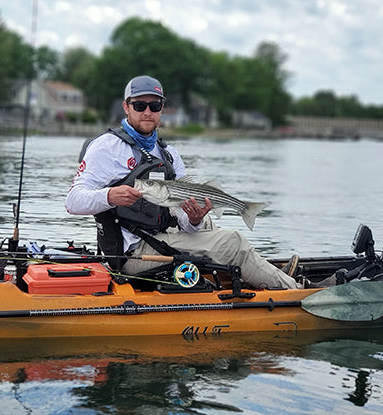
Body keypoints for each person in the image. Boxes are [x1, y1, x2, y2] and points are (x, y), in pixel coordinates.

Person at [65, 75, 302, 290]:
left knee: (207, 222)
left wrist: (195, 219)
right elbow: (73, 202)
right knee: (233, 242)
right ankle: (295, 290)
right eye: (139, 105)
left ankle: (263, 273)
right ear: (126, 107)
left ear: (162, 109)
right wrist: (108, 196)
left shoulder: (169, 155)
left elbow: (185, 222)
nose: (147, 111)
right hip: (134, 254)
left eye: (154, 106)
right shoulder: (106, 147)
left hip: (163, 235)